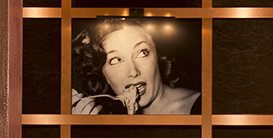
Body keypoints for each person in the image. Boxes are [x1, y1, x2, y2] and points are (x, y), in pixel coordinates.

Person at [71, 18, 201, 115]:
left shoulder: (201, 108)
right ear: (104, 75)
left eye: (142, 53)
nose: (133, 72)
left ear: (158, 56)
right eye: (116, 60)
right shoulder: (109, 120)